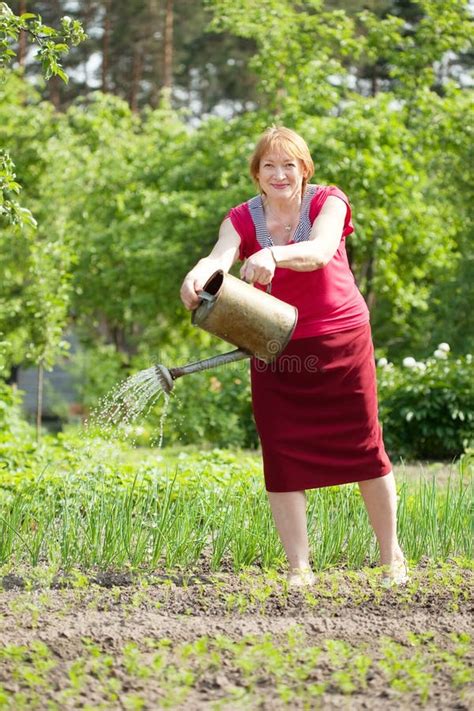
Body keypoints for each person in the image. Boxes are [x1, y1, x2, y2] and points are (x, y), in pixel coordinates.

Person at [180, 126, 408, 587]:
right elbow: (219, 256)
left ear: (305, 169)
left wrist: (273, 255)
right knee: (281, 453)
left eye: (289, 165)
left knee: (365, 448)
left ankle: (391, 558)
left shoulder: (329, 201)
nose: (280, 174)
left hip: (339, 338)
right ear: (257, 175)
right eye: (269, 166)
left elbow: (322, 251)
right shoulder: (242, 218)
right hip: (273, 343)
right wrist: (197, 276)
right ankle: (299, 569)